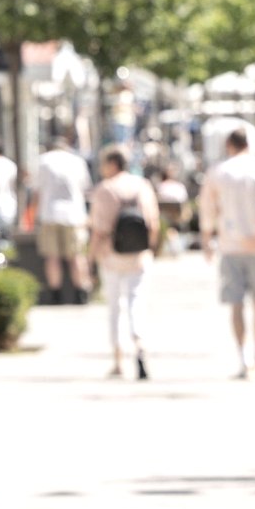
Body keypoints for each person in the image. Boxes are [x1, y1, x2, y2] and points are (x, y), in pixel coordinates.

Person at [199, 128, 255, 379]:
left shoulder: (218, 172)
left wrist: (207, 241)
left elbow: (208, 210)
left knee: (236, 304)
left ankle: (242, 358)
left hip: (230, 245)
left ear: (229, 145)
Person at [88, 146, 160, 381]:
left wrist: (90, 258)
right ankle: (140, 347)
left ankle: (118, 360)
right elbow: (154, 223)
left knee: (115, 308)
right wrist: (151, 248)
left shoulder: (105, 189)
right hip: (139, 256)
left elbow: (99, 230)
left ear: (112, 164)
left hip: (112, 257)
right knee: (136, 303)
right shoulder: (142, 186)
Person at [34, 138, 94, 305]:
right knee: (76, 255)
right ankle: (80, 293)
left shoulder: (43, 161)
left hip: (49, 213)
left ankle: (56, 294)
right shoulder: (77, 161)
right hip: (74, 215)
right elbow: (85, 188)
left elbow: (37, 190)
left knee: (52, 257)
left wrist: (33, 216)